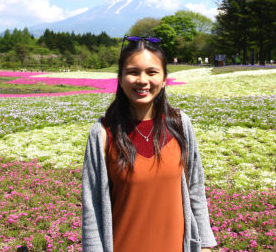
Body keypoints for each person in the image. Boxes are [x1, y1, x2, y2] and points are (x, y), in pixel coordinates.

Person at [82, 37, 217, 252]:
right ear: (120, 78)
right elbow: (92, 206)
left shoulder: (180, 124)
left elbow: (195, 190)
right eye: (133, 72)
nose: (142, 80)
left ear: (164, 79)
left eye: (152, 72)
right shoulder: (103, 133)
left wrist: (206, 243)